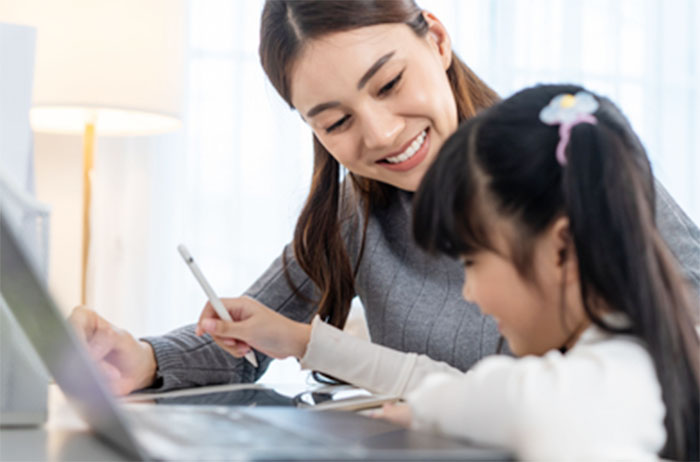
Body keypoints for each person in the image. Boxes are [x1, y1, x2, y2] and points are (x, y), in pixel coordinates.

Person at [69, 0, 700, 400]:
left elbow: (687, 305)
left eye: (390, 82)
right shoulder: (359, 212)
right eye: (334, 121)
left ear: (438, 40)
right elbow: (247, 335)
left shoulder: (560, 156)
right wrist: (143, 360)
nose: (382, 134)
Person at [203, 85, 700, 460]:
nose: (469, 291)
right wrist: (303, 341)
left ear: (562, 248)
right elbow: (452, 381)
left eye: (472, 260)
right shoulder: (617, 354)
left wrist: (430, 412)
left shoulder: (622, 379)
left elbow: (519, 403)